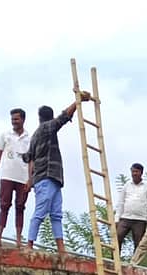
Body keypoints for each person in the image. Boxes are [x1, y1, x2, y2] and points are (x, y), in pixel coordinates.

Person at [22, 92, 92, 255]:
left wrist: (30, 179)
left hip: (50, 179)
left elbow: (28, 158)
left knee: (56, 215)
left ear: (39, 117)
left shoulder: (35, 136)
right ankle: (29, 244)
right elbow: (63, 117)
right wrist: (78, 101)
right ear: (49, 118)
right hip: (47, 177)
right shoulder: (47, 128)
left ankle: (61, 249)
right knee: (40, 212)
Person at [0, 108, 31, 247]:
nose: (14, 122)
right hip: (7, 175)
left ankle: (19, 241)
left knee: (20, 207)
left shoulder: (29, 138)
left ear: (23, 120)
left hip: (23, 177)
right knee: (4, 205)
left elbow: (32, 160)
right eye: (12, 119)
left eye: (16, 119)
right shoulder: (5, 135)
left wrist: (30, 179)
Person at [114, 163, 147, 255]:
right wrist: (117, 218)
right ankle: (115, 259)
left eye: (136, 171)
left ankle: (134, 263)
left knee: (138, 243)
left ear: (141, 173)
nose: (134, 174)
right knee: (117, 237)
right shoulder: (126, 185)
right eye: (133, 171)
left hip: (140, 219)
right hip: (125, 217)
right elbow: (121, 202)